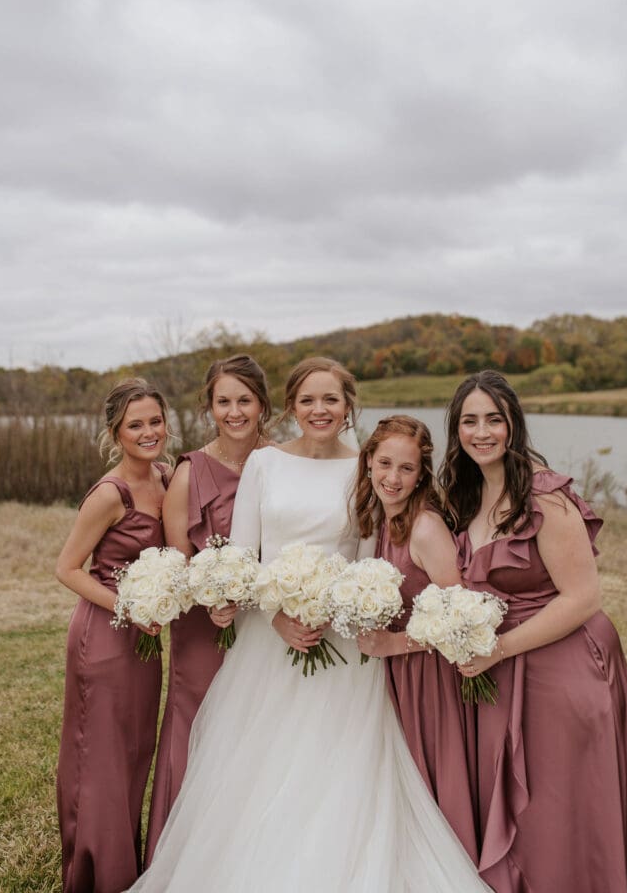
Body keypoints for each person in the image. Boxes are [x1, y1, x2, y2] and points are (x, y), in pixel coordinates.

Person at [127, 358, 491, 893]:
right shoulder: (264, 464)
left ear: (349, 407)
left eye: (332, 400)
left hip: (344, 644)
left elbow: (370, 561)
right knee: (260, 765)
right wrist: (276, 615)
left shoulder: (363, 468)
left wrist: (341, 610)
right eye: (308, 400)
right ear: (291, 406)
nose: (319, 410)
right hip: (267, 640)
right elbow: (247, 555)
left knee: (337, 766)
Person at [440, 369, 627, 893]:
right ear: (455, 429)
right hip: (501, 669)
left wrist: (498, 648)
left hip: (560, 665)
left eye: (494, 420)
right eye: (469, 421)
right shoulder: (467, 494)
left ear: (514, 425)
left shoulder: (543, 496)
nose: (482, 432)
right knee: (525, 809)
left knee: (560, 802)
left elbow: (583, 597)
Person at [144, 354, 272, 863]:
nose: (234, 411)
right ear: (209, 407)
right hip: (205, 627)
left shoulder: (282, 461)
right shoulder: (189, 472)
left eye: (244, 400)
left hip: (268, 622)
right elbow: (179, 562)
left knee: (260, 728)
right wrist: (212, 596)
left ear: (263, 405)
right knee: (197, 726)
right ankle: (183, 855)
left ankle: (252, 853)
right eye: (224, 401)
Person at [56, 378, 172, 893]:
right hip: (103, 636)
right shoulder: (110, 493)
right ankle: (96, 875)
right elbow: (67, 568)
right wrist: (132, 605)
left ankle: (126, 866)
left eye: (155, 421)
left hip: (144, 643)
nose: (149, 432)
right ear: (115, 433)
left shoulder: (168, 477)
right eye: (135, 425)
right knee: (99, 756)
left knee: (133, 751)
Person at [353, 414, 478, 862]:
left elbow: (459, 618)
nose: (393, 477)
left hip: (429, 675)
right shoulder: (379, 520)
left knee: (432, 781)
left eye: (406, 469)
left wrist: (393, 644)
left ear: (422, 473)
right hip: (397, 677)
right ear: (368, 461)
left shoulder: (425, 527)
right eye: (385, 463)